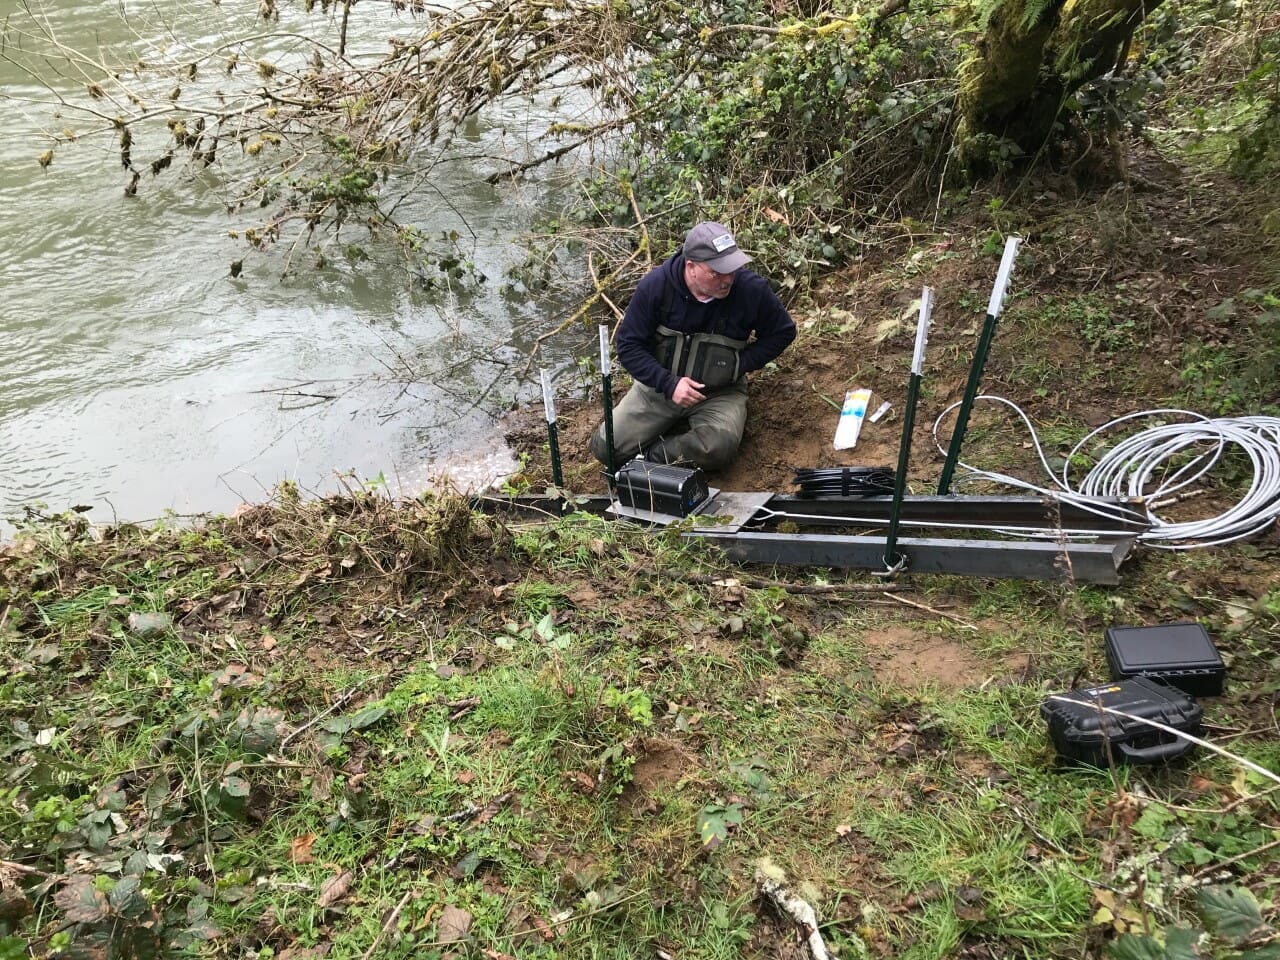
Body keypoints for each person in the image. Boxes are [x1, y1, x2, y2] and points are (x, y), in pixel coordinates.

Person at [589, 221, 796, 472]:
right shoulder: (655, 287)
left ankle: (651, 458)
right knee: (606, 448)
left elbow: (783, 331)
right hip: (659, 390)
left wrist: (739, 364)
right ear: (692, 267)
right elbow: (629, 345)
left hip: (719, 392)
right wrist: (669, 383)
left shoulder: (751, 290)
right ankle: (652, 438)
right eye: (717, 272)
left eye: (732, 269)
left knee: (717, 447)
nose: (728, 279)